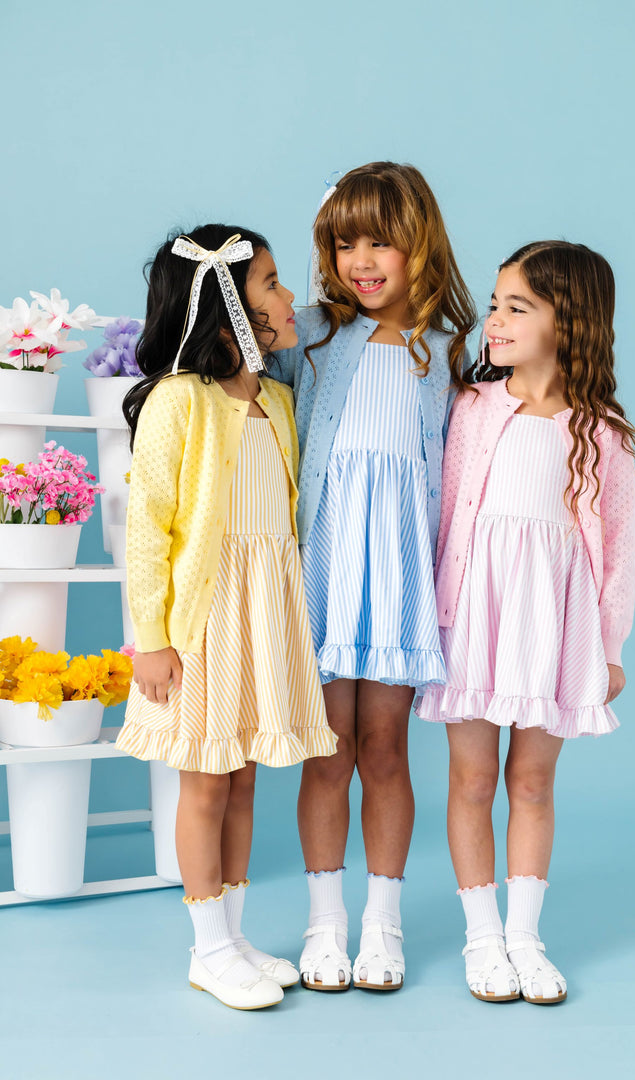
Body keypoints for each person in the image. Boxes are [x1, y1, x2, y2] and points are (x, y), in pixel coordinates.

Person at [116, 224, 337, 1011]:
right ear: (227, 307)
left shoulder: (276, 400)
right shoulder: (181, 400)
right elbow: (149, 528)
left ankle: (235, 939)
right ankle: (207, 949)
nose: (290, 298)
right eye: (272, 284)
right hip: (204, 620)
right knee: (206, 784)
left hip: (264, 612)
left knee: (243, 781)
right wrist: (153, 639)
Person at [416, 241, 635, 1004]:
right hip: (475, 615)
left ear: (567, 321)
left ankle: (524, 938)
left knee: (534, 782)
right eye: (494, 305)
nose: (496, 320)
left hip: (554, 624)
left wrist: (608, 647)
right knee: (472, 778)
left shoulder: (600, 430)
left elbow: (617, 549)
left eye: (518, 307)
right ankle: (483, 939)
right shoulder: (473, 409)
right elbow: (447, 517)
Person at [275, 162, 476, 991]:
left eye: (379, 243)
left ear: (419, 244)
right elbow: (235, 371)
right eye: (342, 242)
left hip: (396, 576)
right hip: (325, 566)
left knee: (386, 750)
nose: (359, 261)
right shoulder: (310, 336)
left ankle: (381, 924)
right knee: (327, 752)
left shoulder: (451, 353)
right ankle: (325, 923)